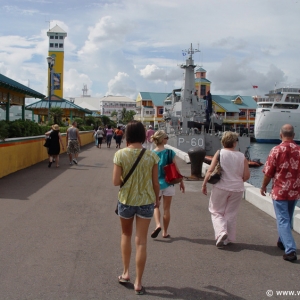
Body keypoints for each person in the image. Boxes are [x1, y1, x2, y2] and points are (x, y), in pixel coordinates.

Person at [113, 120, 160, 295]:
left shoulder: (120, 155)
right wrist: (157, 200)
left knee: (126, 234)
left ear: (127, 135)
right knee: (141, 241)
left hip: (126, 200)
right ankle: (138, 282)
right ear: (142, 135)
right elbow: (156, 183)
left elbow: (115, 181)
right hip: (147, 202)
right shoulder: (152, 156)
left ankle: (126, 273)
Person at [201, 131, 250, 248]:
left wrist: (204, 184)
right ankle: (227, 239)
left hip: (221, 187)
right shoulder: (242, 156)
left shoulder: (220, 153)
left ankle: (221, 232)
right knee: (231, 213)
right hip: (237, 189)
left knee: (215, 210)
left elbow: (210, 170)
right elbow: (246, 176)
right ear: (234, 143)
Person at [260, 124, 300, 262]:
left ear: (280, 135)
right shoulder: (299, 150)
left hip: (280, 190)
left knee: (282, 219)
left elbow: (269, 172)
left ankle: (290, 250)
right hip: (294, 190)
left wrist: (263, 186)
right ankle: (282, 241)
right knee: (288, 218)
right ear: (294, 135)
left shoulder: (276, 150)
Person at [150, 130, 185, 239]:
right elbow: (176, 168)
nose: (167, 139)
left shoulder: (151, 154)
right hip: (169, 183)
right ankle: (165, 232)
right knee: (167, 209)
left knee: (156, 206)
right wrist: (181, 181)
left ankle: (157, 225)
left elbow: (149, 170)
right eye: (166, 137)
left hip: (156, 184)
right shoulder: (170, 152)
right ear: (161, 139)